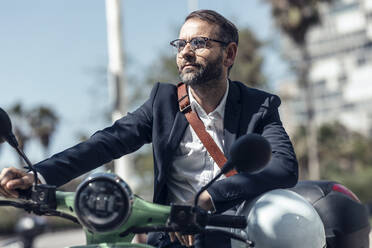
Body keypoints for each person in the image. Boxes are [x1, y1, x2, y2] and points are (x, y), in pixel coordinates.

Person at [0, 10, 298, 248]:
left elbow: (284, 167)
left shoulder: (257, 105)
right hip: (172, 236)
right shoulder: (164, 103)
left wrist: (209, 197)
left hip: (237, 234)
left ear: (229, 54)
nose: (185, 52)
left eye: (199, 43)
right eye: (180, 44)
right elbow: (107, 142)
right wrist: (36, 175)